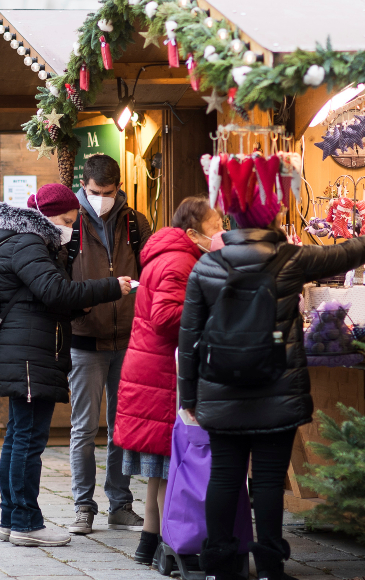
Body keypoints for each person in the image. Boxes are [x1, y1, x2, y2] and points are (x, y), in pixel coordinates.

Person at [178, 210, 365, 580]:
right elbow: (347, 252)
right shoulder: (290, 258)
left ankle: (219, 570)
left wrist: (189, 396)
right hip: (278, 387)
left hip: (221, 389)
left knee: (224, 477)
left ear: (233, 222)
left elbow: (189, 334)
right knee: (269, 482)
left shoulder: (207, 266)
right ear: (271, 219)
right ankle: (270, 570)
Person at [0, 184, 131, 547]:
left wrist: (76, 302)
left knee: (18, 436)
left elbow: (41, 296)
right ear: (47, 216)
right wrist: (111, 287)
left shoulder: (19, 239)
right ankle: (25, 522)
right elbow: (54, 291)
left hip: (26, 350)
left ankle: (10, 518)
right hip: (30, 353)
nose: (69, 227)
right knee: (28, 439)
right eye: (66, 220)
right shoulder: (28, 242)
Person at [116, 197, 225, 564]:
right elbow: (165, 317)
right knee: (170, 468)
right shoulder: (180, 260)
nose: (220, 234)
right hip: (162, 374)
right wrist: (213, 314)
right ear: (192, 233)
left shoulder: (170, 254)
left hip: (151, 370)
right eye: (215, 228)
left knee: (159, 471)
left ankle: (149, 543)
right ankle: (173, 548)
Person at [66, 154, 152, 534]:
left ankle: (120, 505)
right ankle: (83, 506)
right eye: (95, 191)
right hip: (85, 339)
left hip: (128, 339)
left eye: (109, 192)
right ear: (83, 186)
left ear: (119, 188)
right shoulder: (70, 223)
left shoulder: (135, 223)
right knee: (84, 429)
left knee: (123, 428)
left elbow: (150, 271)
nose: (102, 198)